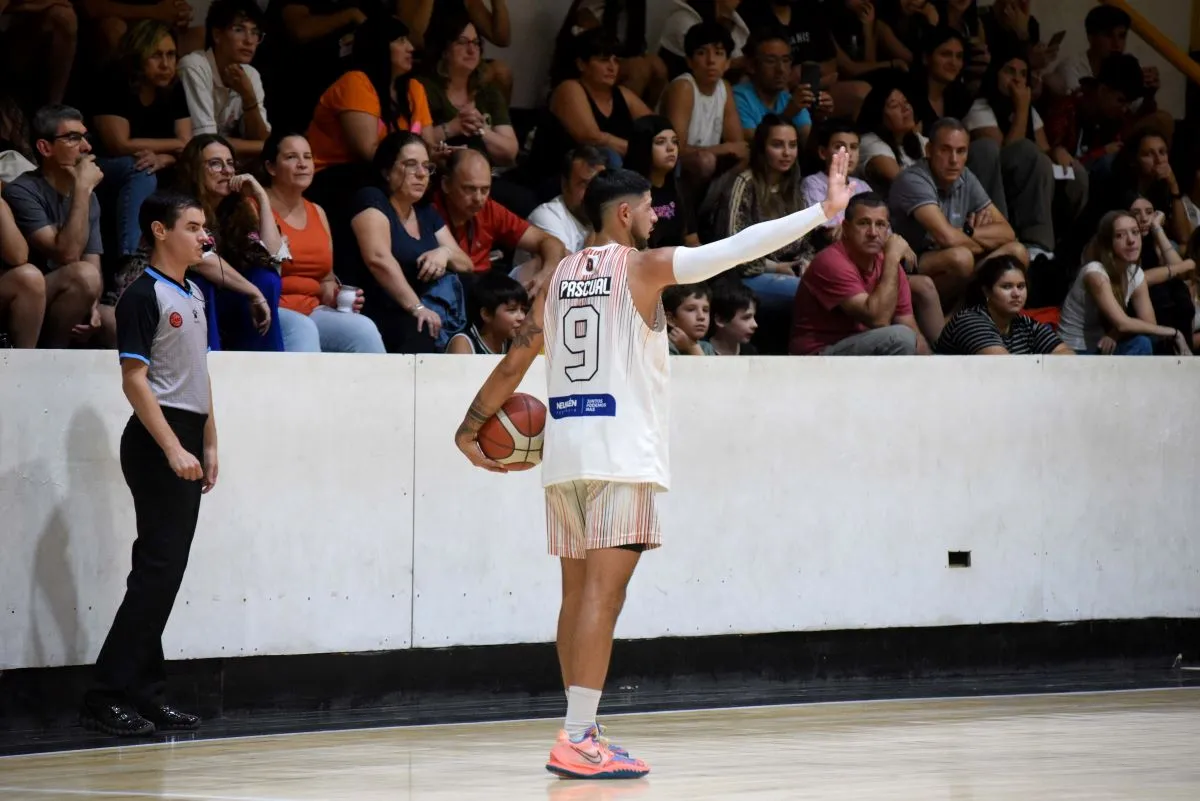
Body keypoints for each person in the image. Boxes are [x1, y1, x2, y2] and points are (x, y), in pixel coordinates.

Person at [453, 149, 855, 779]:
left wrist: (472, 425)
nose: (654, 219)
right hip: (620, 452)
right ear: (622, 212)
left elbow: (516, 359)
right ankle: (578, 735)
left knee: (575, 595)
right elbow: (736, 248)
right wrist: (821, 213)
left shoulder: (557, 277)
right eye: (647, 209)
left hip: (565, 453)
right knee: (603, 602)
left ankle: (582, 727)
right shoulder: (641, 267)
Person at [80, 191, 216, 737]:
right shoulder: (144, 295)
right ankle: (106, 693)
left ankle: (146, 691)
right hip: (156, 439)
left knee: (160, 573)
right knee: (158, 572)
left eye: (204, 226)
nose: (203, 236)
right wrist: (172, 448)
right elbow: (135, 381)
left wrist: (209, 443)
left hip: (186, 431)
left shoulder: (196, 293)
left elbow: (200, 377)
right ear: (160, 230)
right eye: (192, 226)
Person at [262, 131, 385, 353]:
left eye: (307, 157)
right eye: (291, 157)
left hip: (313, 310)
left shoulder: (317, 211)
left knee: (364, 329)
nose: (302, 164)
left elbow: (326, 279)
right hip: (270, 310)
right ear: (271, 167)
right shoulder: (253, 207)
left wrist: (336, 295)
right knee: (303, 329)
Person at [1057, 210, 1188, 356]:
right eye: (1120, 235)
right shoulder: (1095, 273)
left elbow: (1149, 323)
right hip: (1074, 350)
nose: (1131, 240)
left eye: (1135, 232)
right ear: (1108, 242)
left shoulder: (1135, 273)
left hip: (1105, 347)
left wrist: (1115, 334)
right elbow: (1122, 323)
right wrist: (1174, 332)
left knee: (1143, 342)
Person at [935, 254, 1072, 354]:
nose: (1016, 293)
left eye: (1021, 286)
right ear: (987, 292)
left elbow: (1066, 356)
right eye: (1007, 287)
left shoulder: (1025, 324)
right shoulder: (970, 321)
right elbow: (1004, 369)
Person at [446, 270, 528, 354]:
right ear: (486, 314)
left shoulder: (514, 342)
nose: (522, 317)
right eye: (512, 310)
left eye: (523, 310)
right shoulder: (463, 343)